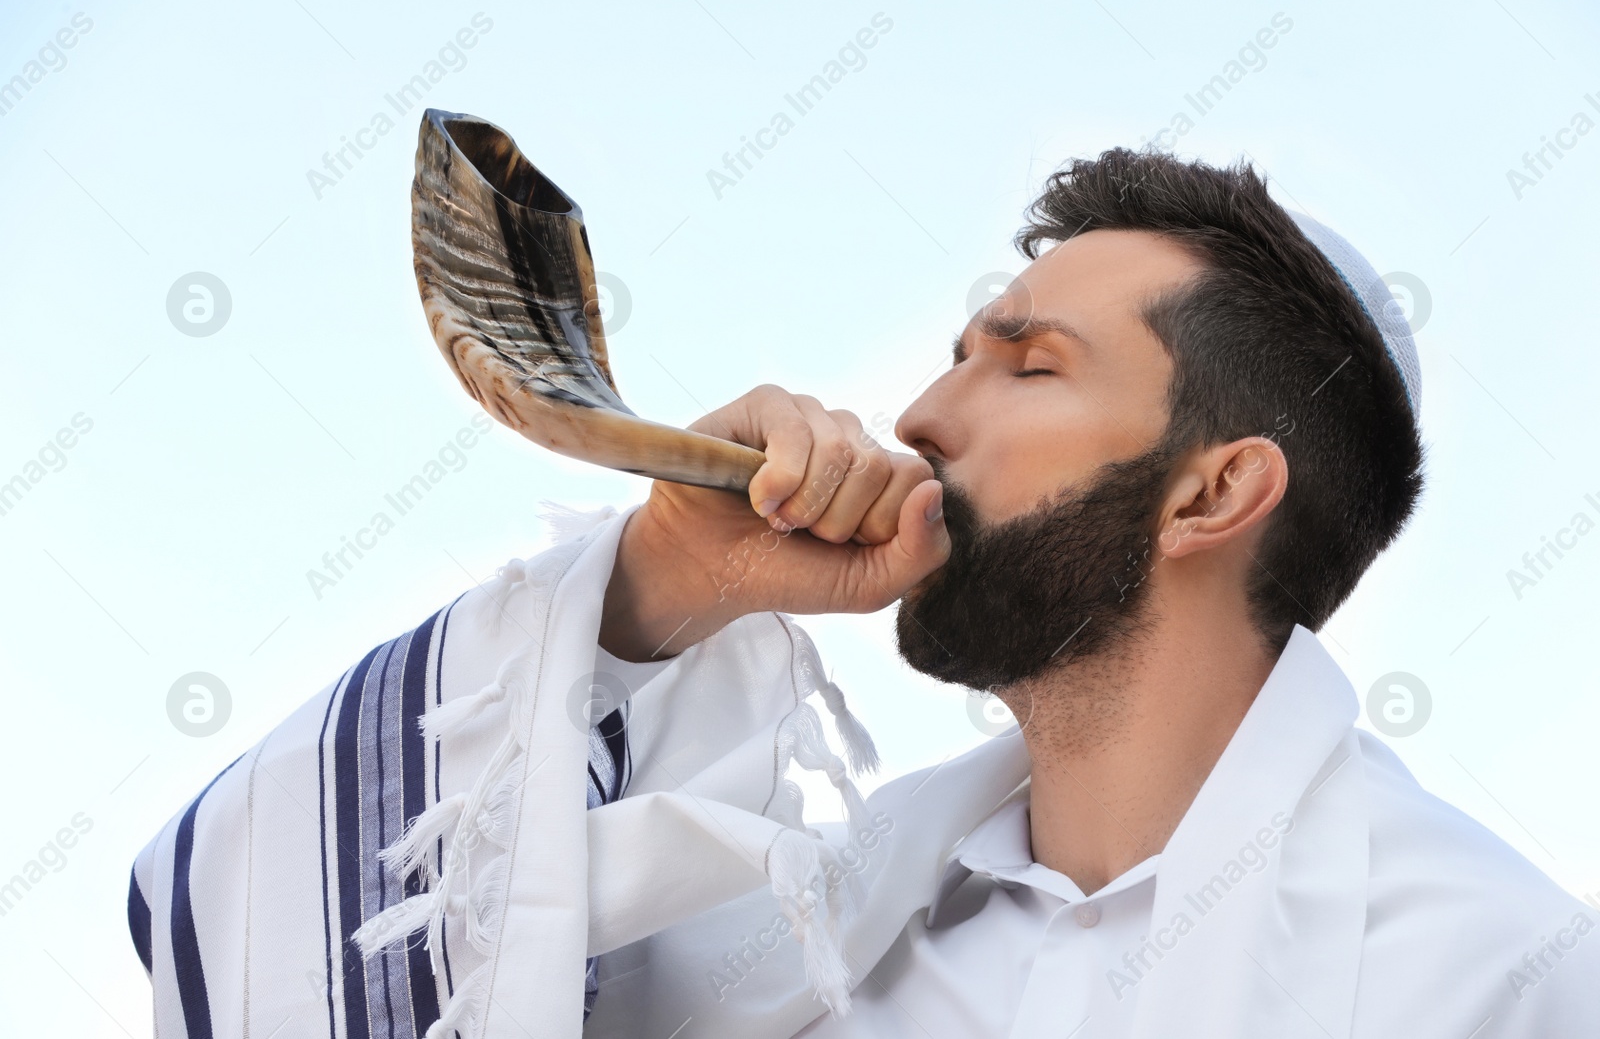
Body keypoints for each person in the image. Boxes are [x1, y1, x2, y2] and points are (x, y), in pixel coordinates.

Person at [130, 149, 1599, 1038]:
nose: (920, 414)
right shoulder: (811, 966)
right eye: (958, 356)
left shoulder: (1498, 980)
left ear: (1214, 492)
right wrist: (665, 585)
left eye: (1025, 365)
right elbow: (308, 953)